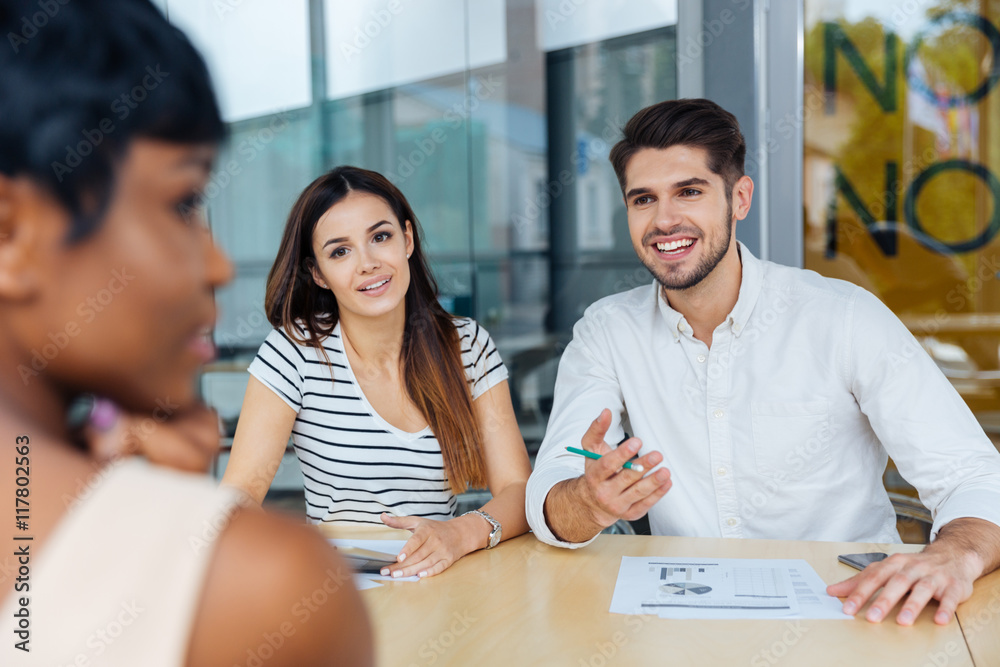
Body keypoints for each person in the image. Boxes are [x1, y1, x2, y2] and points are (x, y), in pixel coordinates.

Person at [526, 98, 1000, 627]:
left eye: (689, 191)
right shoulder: (607, 332)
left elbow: (972, 473)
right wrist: (588, 503)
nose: (664, 220)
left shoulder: (843, 317)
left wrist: (955, 552)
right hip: (684, 625)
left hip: (850, 613)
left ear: (740, 198)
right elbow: (551, 490)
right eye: (643, 200)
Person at [0, 1, 372, 664]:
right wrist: (179, 529)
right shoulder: (260, 591)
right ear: (10, 235)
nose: (219, 265)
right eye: (181, 203)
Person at [221, 166, 531, 578]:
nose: (367, 263)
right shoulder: (295, 350)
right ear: (318, 274)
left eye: (379, 237)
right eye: (340, 251)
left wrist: (461, 534)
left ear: (407, 239)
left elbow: (518, 489)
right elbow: (241, 492)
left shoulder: (467, 345)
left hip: (443, 580)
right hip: (337, 591)